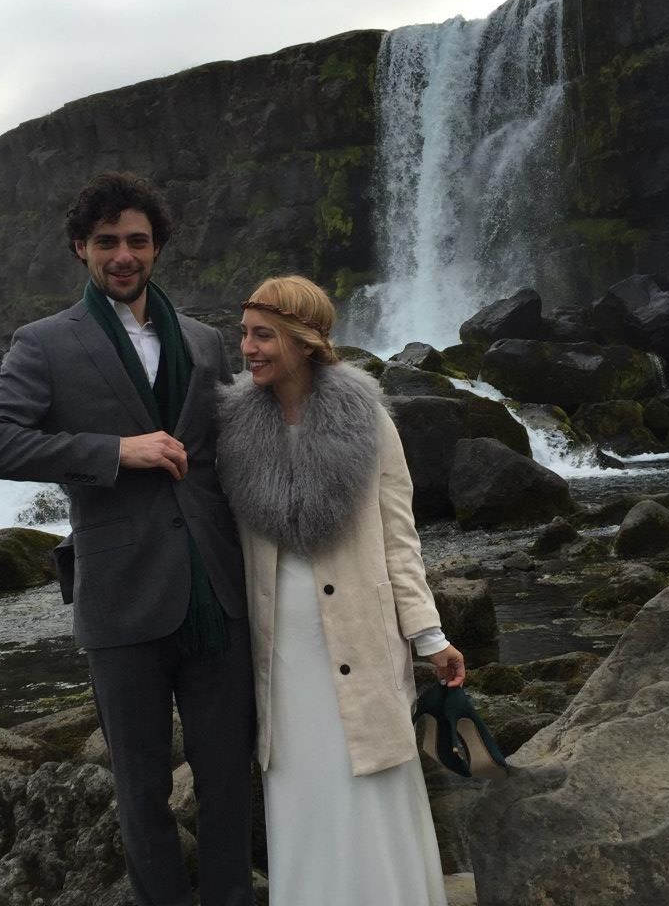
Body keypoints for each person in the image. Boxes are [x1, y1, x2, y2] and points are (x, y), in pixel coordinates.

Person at [0, 171, 255, 906]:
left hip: (219, 589)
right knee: (142, 790)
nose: (124, 255)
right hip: (121, 601)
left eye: (138, 241)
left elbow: (230, 460)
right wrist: (115, 452)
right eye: (108, 242)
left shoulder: (207, 342)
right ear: (80, 249)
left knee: (231, 782)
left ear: (158, 248)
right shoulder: (46, 343)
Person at [215, 275, 466, 906]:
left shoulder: (369, 420)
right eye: (244, 333)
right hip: (279, 655)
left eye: (263, 335)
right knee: (303, 790)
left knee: (371, 782)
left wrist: (429, 633)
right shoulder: (234, 428)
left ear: (305, 340)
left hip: (362, 637)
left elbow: (398, 537)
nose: (247, 348)